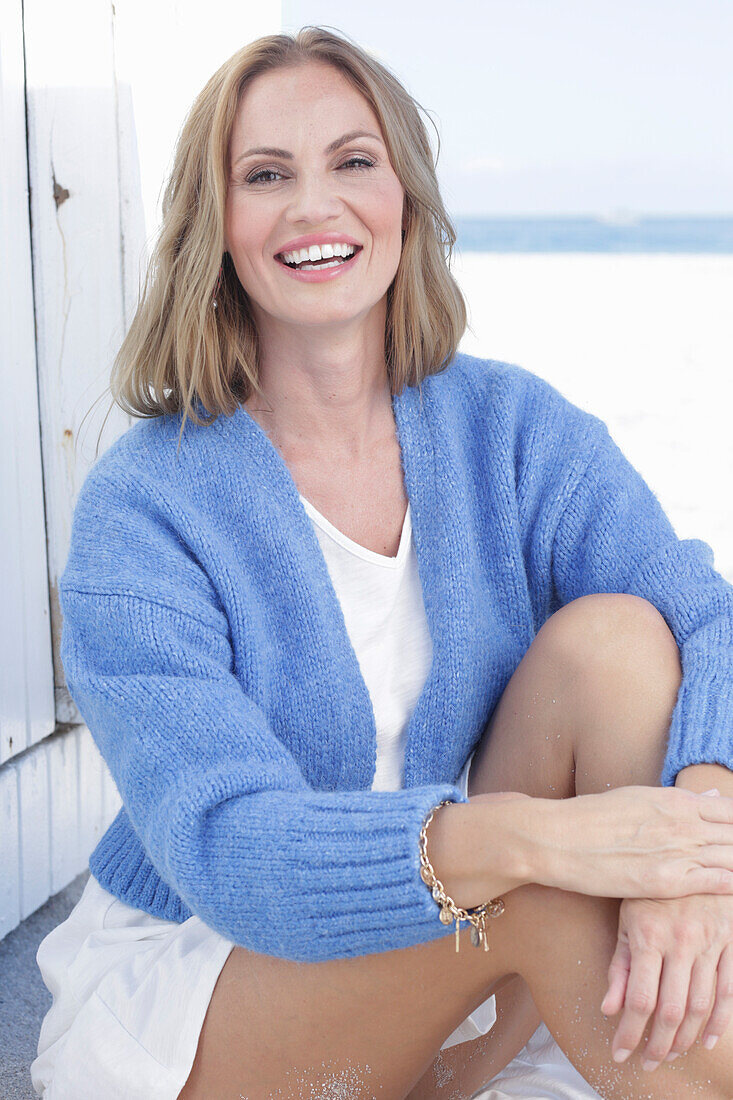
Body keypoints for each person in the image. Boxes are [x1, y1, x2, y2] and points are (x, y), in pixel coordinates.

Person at [31, 24, 733, 1100]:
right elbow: (232, 845)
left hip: (466, 930)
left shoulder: (508, 426)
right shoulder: (146, 507)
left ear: (404, 194)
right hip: (220, 965)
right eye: (267, 175)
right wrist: (550, 841)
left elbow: (704, 619)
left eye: (353, 161)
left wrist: (692, 851)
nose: (316, 206)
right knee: (537, 880)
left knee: (619, 637)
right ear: (216, 226)